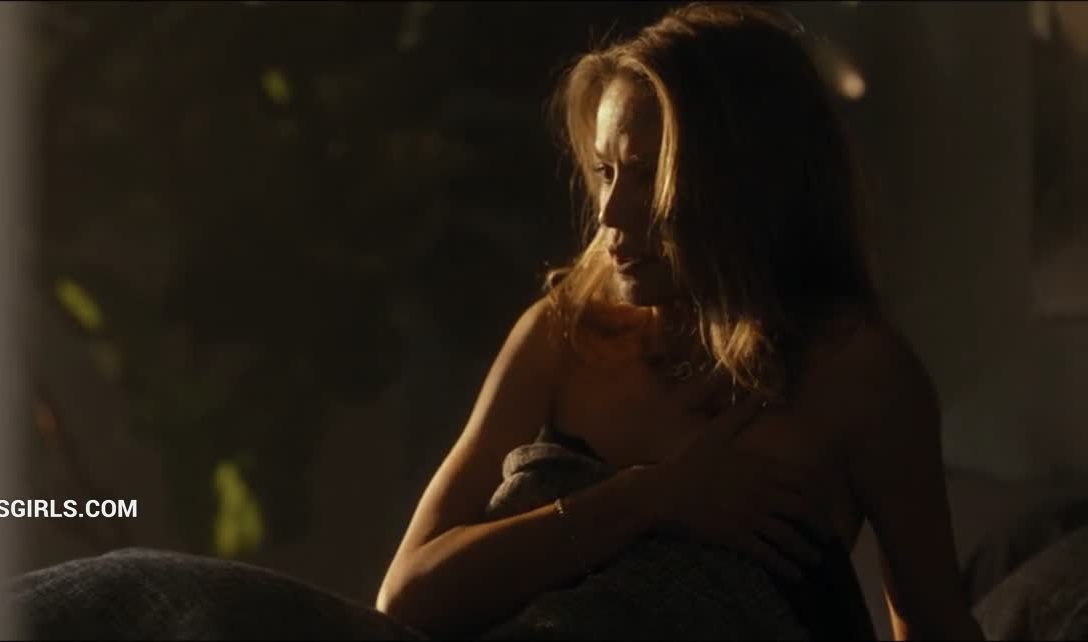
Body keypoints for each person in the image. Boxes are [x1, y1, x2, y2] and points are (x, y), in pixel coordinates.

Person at [374, 3, 984, 640]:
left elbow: (933, 623)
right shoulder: (564, 335)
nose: (610, 213)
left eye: (649, 176)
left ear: (747, 184)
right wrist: (651, 498)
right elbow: (407, 595)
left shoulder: (859, 375)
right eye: (605, 171)